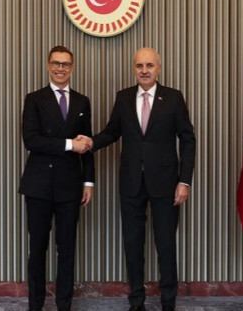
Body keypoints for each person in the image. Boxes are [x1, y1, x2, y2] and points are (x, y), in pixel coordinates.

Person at [85, 47, 196, 311]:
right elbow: (112, 132)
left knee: (166, 245)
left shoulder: (173, 98)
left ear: (159, 68)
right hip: (131, 183)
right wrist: (90, 142)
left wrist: (185, 181)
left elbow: (188, 140)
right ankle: (137, 301)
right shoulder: (123, 97)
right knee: (133, 245)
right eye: (139, 66)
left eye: (149, 65)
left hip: (167, 184)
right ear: (134, 69)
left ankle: (168, 302)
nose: (144, 70)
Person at [18, 45, 94, 311]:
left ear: (72, 68)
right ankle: (35, 305)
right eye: (56, 63)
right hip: (38, 186)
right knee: (37, 249)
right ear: (48, 65)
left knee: (67, 249)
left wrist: (89, 182)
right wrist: (68, 145)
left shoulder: (83, 101)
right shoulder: (34, 99)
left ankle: (64, 305)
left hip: (70, 186)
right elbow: (32, 140)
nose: (61, 68)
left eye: (66, 64)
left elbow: (87, 144)